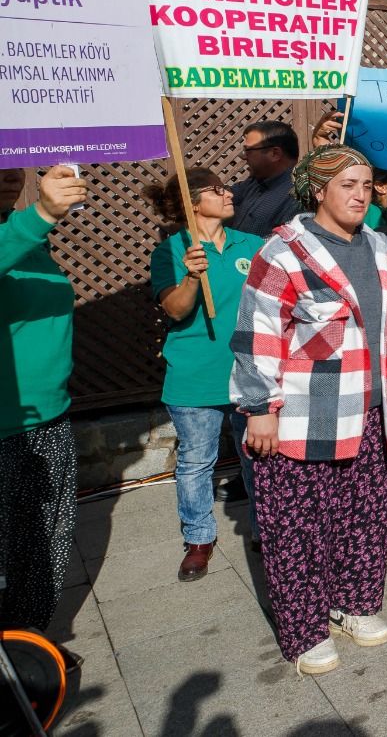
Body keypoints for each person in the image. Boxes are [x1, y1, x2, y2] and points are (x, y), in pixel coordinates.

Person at [231, 145, 387, 675]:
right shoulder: (283, 252)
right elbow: (257, 331)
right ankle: (304, 630)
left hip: (369, 409)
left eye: (366, 183)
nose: (360, 194)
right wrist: (259, 407)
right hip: (304, 416)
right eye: (346, 184)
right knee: (298, 528)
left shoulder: (378, 246)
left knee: (364, 518)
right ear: (318, 189)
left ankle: (352, 604)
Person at [144, 168, 266, 581]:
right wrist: (193, 275)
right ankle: (198, 539)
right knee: (196, 462)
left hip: (250, 372)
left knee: (258, 456)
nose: (228, 192)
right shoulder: (172, 250)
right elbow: (176, 310)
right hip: (196, 375)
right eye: (217, 189)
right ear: (193, 201)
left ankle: (263, 529)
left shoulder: (251, 244)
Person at [0, 165, 86, 631]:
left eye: (14, 161)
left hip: (50, 414)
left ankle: (28, 645)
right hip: (6, 424)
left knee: (44, 542)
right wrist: (42, 213)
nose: (9, 173)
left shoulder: (30, 239)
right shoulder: (24, 230)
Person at [230, 119, 300, 237]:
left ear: (275, 154)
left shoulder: (298, 196)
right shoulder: (253, 182)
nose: (243, 156)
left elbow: (285, 245)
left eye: (248, 150)